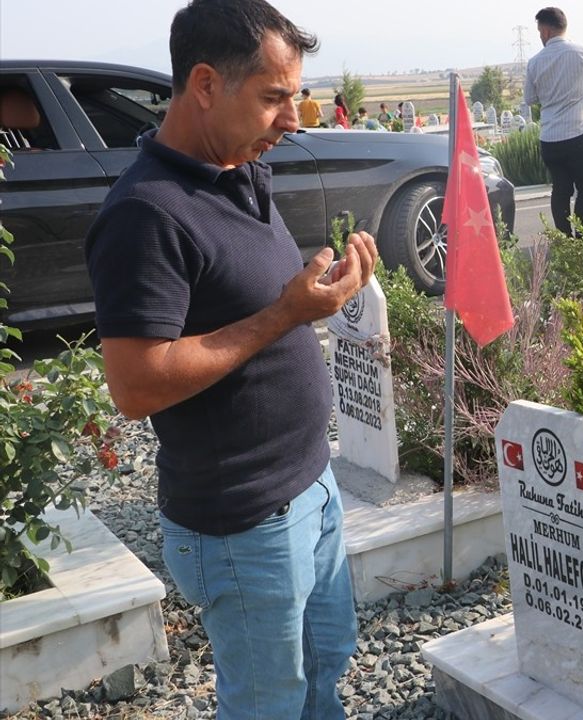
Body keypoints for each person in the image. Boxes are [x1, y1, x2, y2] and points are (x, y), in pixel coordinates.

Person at [82, 1, 378, 716]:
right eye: (274, 97)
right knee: (267, 703)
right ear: (207, 86)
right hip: (246, 525)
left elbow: (238, 304)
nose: (294, 119)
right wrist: (287, 313)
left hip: (311, 486)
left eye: (296, 97)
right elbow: (136, 384)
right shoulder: (146, 213)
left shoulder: (237, 167)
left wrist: (310, 296)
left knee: (324, 666)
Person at [524, 6, 583, 237]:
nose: (540, 36)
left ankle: (564, 239)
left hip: (549, 140)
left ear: (548, 30)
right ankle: (581, 242)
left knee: (560, 190)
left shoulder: (534, 62)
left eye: (540, 31)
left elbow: (530, 99)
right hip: (580, 135)